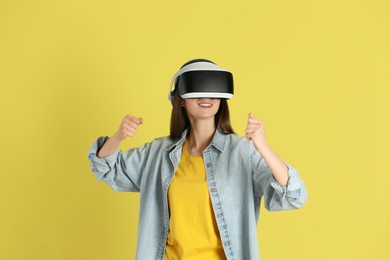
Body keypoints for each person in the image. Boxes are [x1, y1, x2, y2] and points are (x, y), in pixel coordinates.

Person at [88, 59, 308, 260]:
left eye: (214, 91)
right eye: (198, 90)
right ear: (180, 100)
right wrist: (119, 136)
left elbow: (292, 196)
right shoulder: (157, 153)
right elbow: (106, 168)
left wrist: (263, 147)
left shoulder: (242, 152)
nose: (207, 97)